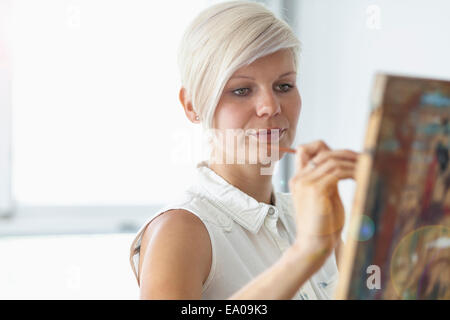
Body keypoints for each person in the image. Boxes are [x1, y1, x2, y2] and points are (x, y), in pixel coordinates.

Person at [129, 0, 358, 299]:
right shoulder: (180, 230)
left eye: (284, 86)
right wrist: (305, 255)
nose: (271, 106)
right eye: (241, 90)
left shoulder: (308, 217)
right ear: (192, 106)